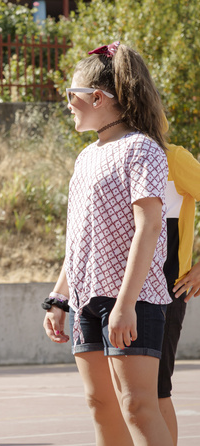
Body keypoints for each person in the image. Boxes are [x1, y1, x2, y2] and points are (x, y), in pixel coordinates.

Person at [42, 42, 173, 445]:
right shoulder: (86, 157)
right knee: (101, 405)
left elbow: (149, 227)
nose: (68, 104)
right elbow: (80, 235)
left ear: (97, 97)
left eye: (71, 95)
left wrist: (126, 305)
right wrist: (60, 297)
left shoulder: (142, 148)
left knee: (136, 406)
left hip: (133, 301)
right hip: (86, 299)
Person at [158, 142, 200, 445]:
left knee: (155, 392)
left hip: (166, 292)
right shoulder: (108, 156)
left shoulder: (174, 158)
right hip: (115, 294)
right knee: (122, 398)